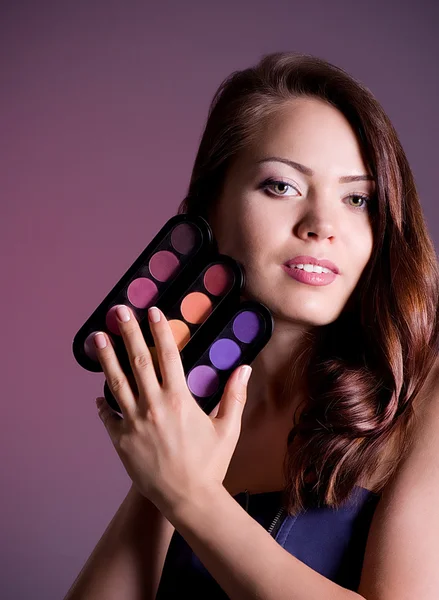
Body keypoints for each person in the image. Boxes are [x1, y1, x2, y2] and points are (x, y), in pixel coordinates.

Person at [64, 52, 439, 599]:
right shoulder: (196, 406)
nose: (322, 226)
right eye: (282, 187)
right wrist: (158, 470)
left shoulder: (422, 395)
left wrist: (192, 495)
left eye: (357, 199)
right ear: (207, 212)